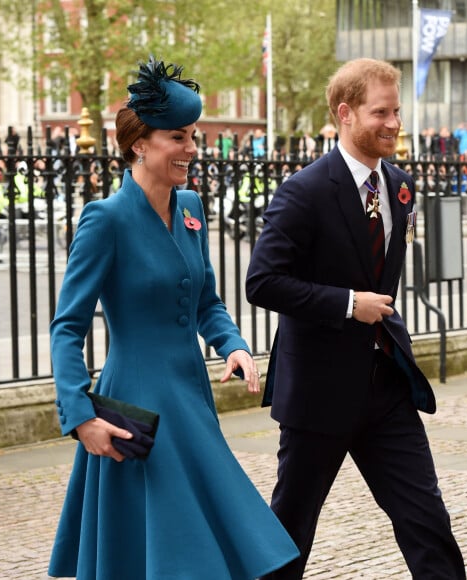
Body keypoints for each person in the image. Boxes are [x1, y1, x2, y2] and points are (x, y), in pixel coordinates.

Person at [48, 56, 298, 580]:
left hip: (190, 398)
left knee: (209, 536)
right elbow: (67, 327)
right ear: (141, 144)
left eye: (193, 137)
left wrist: (232, 344)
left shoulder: (190, 207)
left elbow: (205, 298)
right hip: (137, 404)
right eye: (178, 137)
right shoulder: (105, 219)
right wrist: (79, 416)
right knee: (171, 547)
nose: (192, 149)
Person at [246, 58, 465, 579]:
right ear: (345, 114)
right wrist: (348, 304)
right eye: (380, 112)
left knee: (427, 521)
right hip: (319, 394)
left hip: (385, 388)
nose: (394, 123)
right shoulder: (304, 190)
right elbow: (262, 281)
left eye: (396, 111)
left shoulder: (400, 186)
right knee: (290, 534)